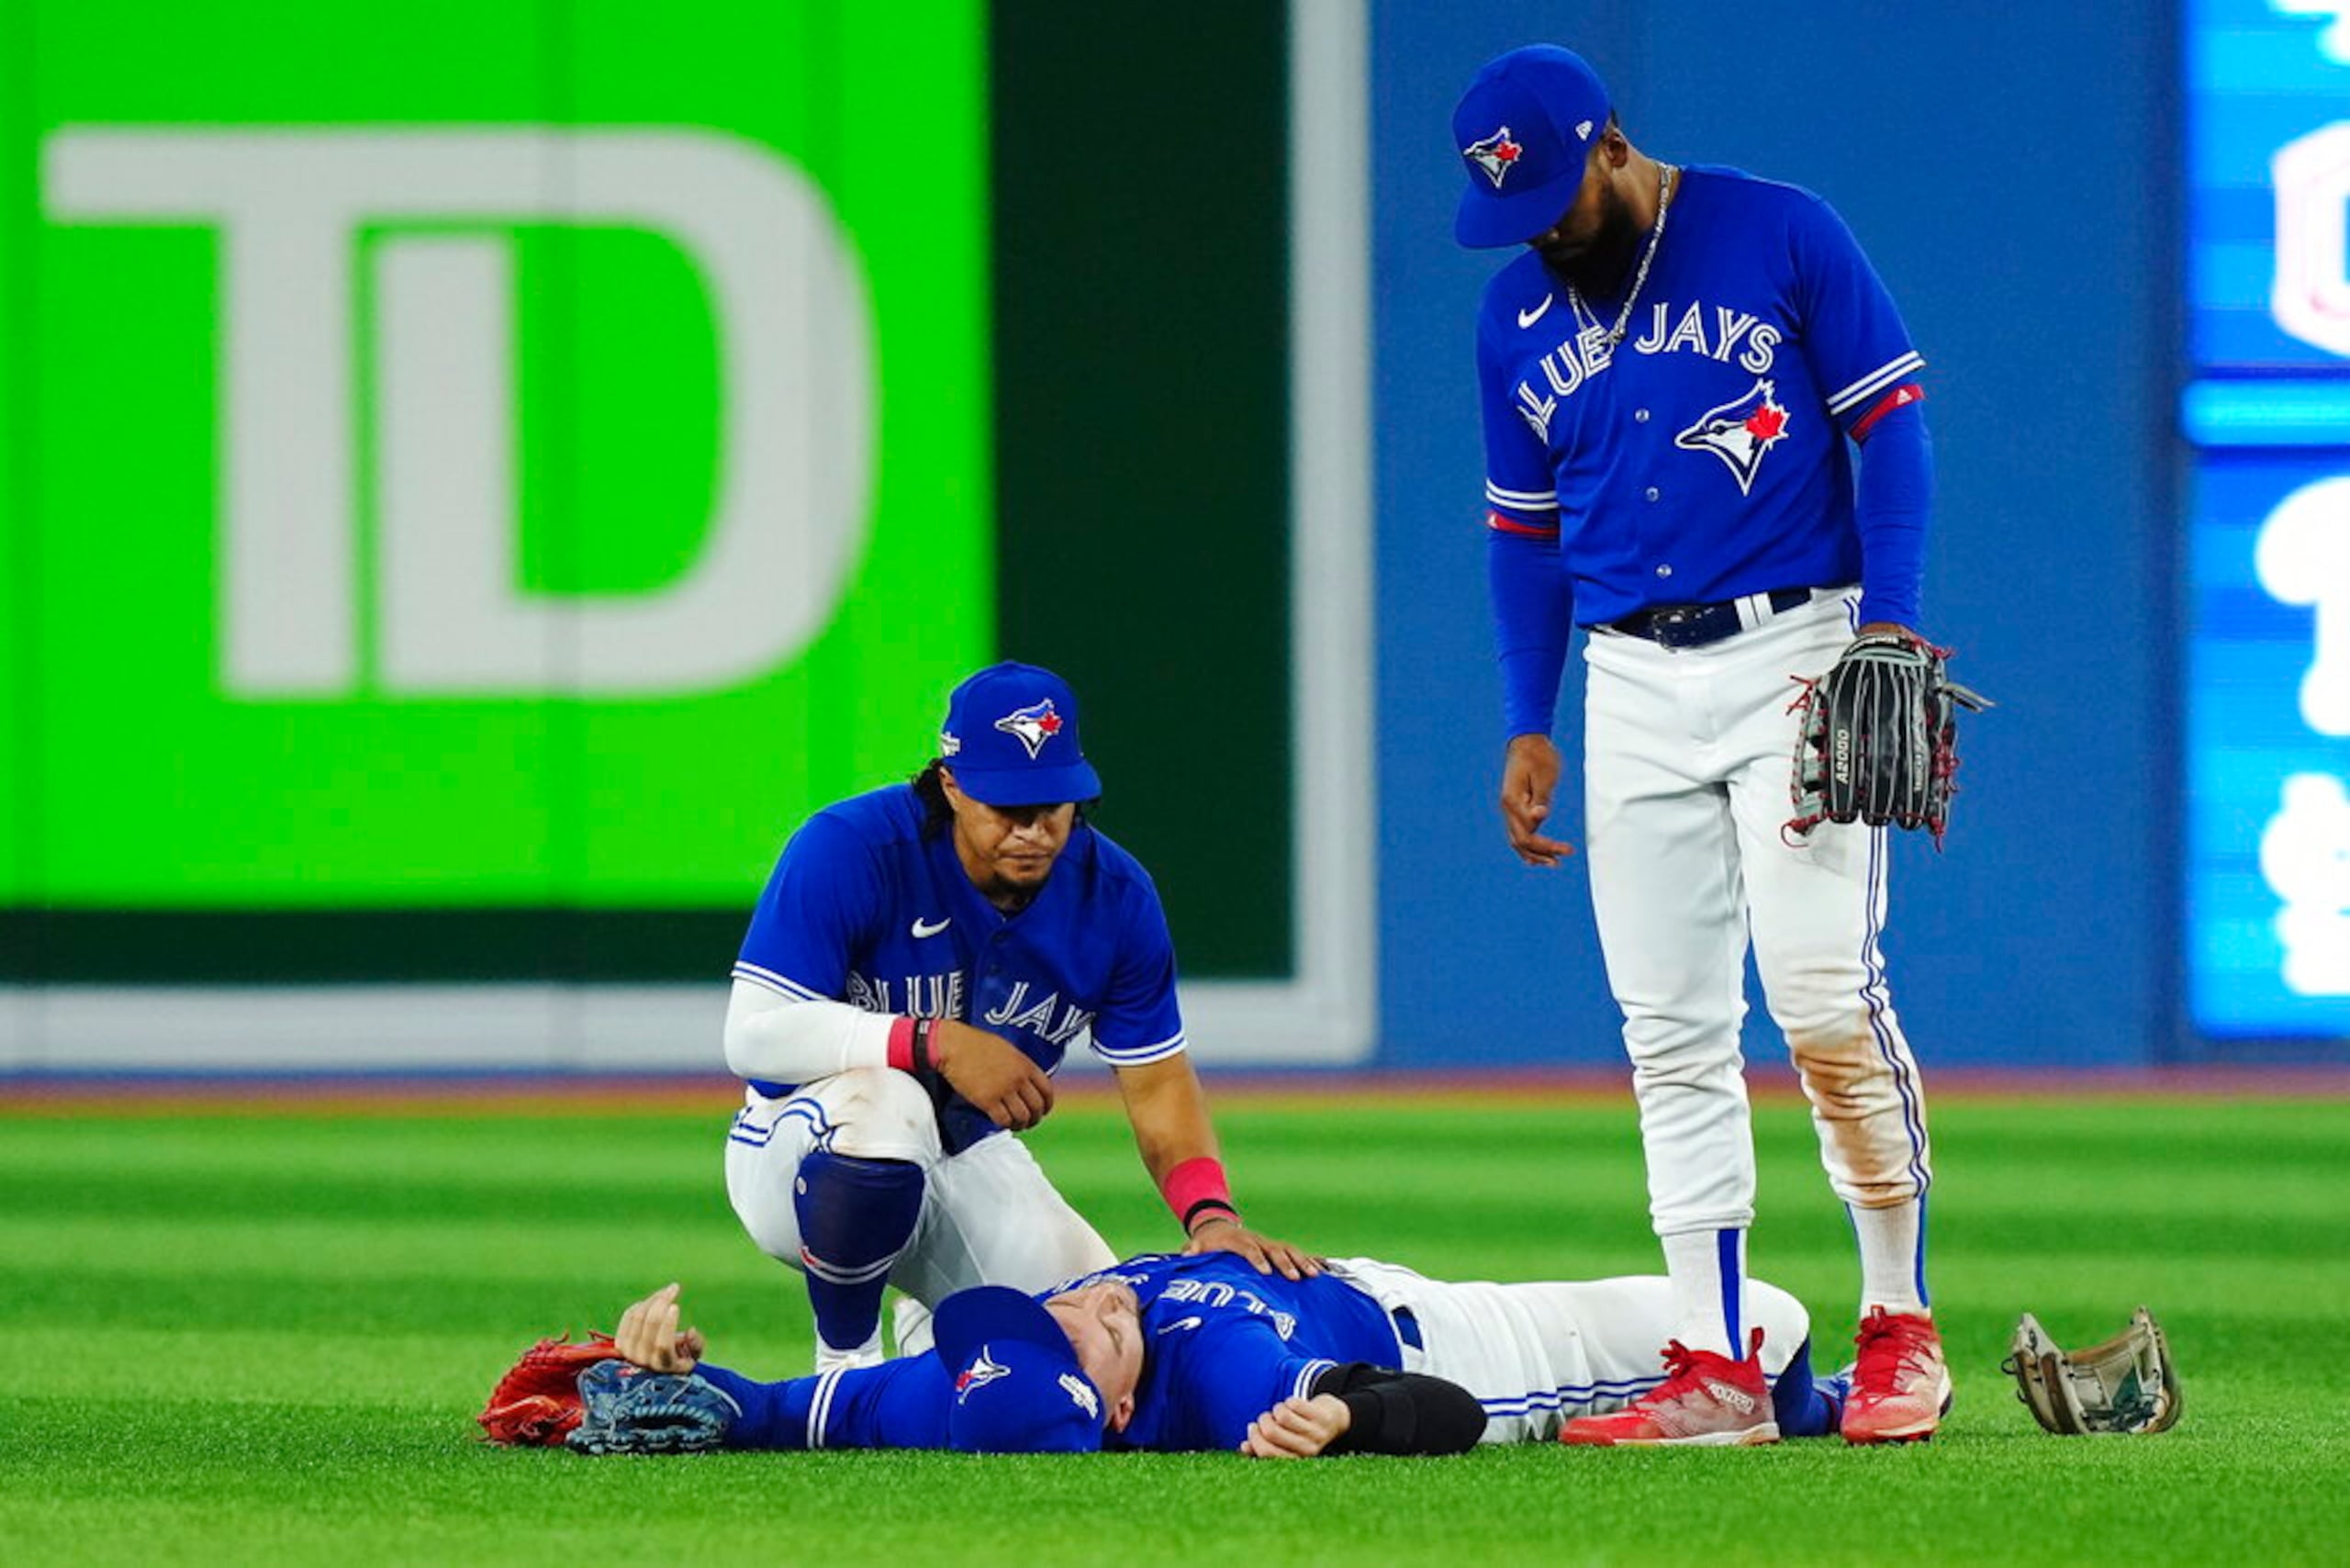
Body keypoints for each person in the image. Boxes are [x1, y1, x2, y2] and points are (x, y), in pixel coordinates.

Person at [1449, 44, 1954, 1445]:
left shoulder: (1777, 228)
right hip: (1626, 676)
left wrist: (1890, 631)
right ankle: (1713, 1363)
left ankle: (1900, 1324)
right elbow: (1520, 531)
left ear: (1609, 143)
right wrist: (1526, 718)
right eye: (1516, 209)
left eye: (1555, 192)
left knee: (1820, 1001)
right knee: (1669, 1031)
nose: (1542, 227)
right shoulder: (1512, 316)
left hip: (1798, 647)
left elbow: (1893, 433)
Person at [722, 661, 1316, 1373]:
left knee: (1104, 1346)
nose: (1033, 830)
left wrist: (1210, 1215)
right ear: (951, 785)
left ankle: (934, 1333)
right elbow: (753, 1035)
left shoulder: (1115, 897)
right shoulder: (854, 847)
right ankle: (844, 1363)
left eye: (1052, 806)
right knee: (887, 1100)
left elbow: (1157, 1082)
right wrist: (933, 1041)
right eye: (1007, 807)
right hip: (803, 1154)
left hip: (965, 1154)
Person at [590, 1250, 1846, 1457]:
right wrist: (1348, 1420)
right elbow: (1449, 1413)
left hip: (1353, 1278)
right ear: (1114, 1399)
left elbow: (767, 1411)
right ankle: (1824, 1406)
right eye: (1069, 1331)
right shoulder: (1220, 1378)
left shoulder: (967, 1387)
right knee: (1763, 1315)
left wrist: (664, 1367)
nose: (1060, 1302)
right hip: (1474, 1340)